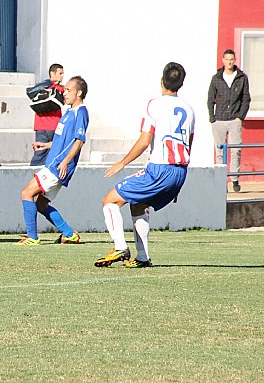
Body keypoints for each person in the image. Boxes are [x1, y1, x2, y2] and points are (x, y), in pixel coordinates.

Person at [95, 62, 194, 268]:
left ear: (161, 80)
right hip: (180, 171)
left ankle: (120, 247)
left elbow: (144, 141)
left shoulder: (154, 104)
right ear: (181, 84)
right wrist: (177, 183)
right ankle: (142, 257)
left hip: (159, 169)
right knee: (138, 203)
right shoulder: (190, 110)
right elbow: (188, 145)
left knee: (110, 201)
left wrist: (122, 163)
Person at [15, 76, 89, 246]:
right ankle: (69, 234)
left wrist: (65, 161)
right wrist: (45, 145)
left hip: (58, 166)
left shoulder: (81, 112)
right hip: (55, 164)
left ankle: (32, 237)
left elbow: (79, 141)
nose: (65, 93)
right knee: (41, 204)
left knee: (26, 193)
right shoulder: (69, 112)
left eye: (69, 90)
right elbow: (63, 139)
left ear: (79, 92)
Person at [207, 48, 251, 193]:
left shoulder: (242, 77)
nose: (229, 62)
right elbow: (210, 99)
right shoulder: (216, 78)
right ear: (223, 60)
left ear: (235, 60)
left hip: (234, 120)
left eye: (232, 59)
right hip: (218, 119)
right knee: (219, 151)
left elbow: (246, 99)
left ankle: (235, 179)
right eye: (227, 59)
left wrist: (240, 117)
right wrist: (212, 117)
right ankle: (221, 181)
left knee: (236, 150)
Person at [30, 64, 65, 166]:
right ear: (52, 73)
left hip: (40, 126)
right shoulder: (59, 89)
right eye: (60, 73)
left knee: (39, 154)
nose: (62, 76)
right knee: (53, 154)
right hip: (54, 126)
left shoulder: (40, 88)